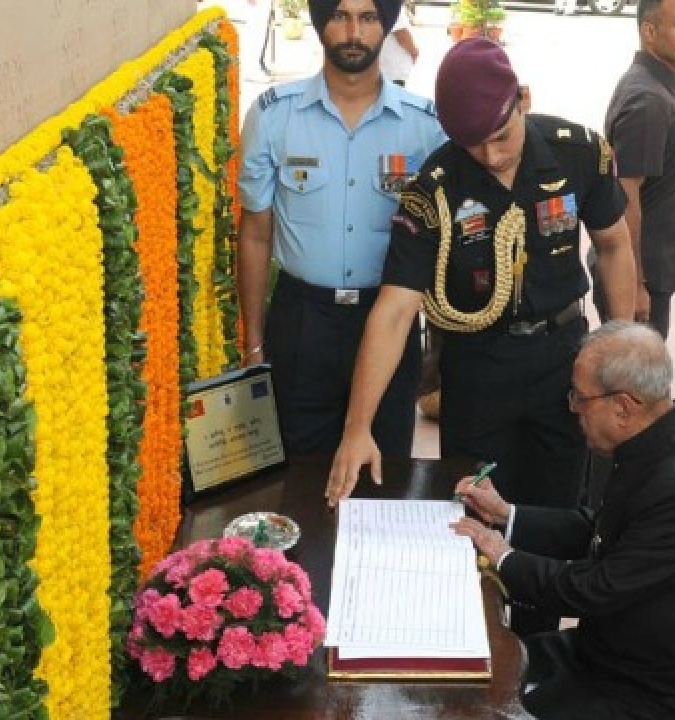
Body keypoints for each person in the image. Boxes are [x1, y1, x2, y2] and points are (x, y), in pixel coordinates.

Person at [324, 38, 637, 515]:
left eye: (501, 136)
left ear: (523, 100)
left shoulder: (578, 153)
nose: (490, 156)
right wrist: (357, 428)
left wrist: (623, 344)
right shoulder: (434, 190)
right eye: (473, 145)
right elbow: (395, 310)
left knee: (563, 509)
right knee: (474, 511)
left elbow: (613, 245)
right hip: (478, 370)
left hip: (566, 362)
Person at [451, 321, 675, 720]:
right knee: (469, 674)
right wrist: (507, 515)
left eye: (580, 398)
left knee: (484, 709)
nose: (573, 408)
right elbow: (599, 529)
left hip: (671, 690)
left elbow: (594, 590)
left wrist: (502, 556)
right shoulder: (659, 440)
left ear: (623, 407)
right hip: (616, 654)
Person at [237, 0, 446, 456]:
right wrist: (253, 345)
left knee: (381, 470)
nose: (354, 31)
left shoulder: (425, 127)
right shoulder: (274, 116)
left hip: (387, 318)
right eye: (340, 15)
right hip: (302, 322)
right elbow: (254, 233)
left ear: (386, 27)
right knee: (293, 474)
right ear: (320, 23)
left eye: (369, 18)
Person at [593, 0, 675, 340]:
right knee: (635, 384)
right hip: (641, 275)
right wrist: (634, 284)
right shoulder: (649, 101)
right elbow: (626, 196)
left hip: (650, 272)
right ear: (649, 32)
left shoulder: (658, 88)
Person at [379, 5, 419, 86]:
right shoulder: (391, 6)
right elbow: (401, 34)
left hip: (389, 71)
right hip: (392, 72)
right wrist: (414, 51)